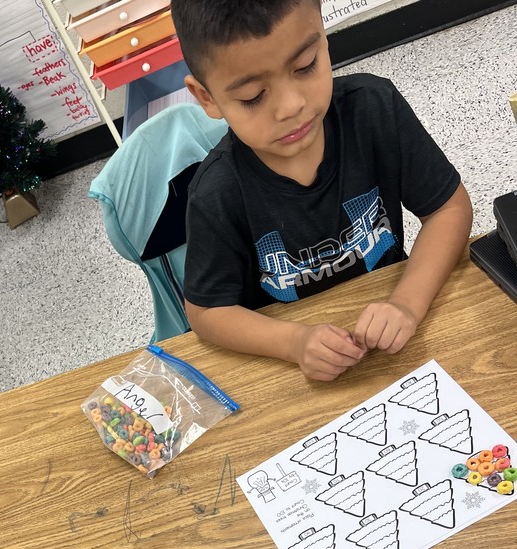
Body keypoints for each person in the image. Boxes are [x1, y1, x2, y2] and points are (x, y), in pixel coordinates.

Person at [170, 0, 473, 382]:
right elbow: (206, 313)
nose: (291, 106)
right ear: (207, 98)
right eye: (252, 96)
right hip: (291, 369)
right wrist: (293, 342)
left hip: (399, 333)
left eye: (305, 66)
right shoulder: (215, 193)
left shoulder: (374, 109)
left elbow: (449, 209)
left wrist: (407, 303)